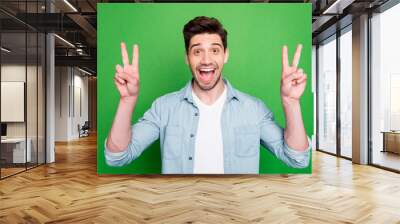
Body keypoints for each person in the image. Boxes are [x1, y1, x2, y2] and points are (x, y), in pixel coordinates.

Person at [105, 16, 311, 174]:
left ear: (225, 55)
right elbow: (117, 157)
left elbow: (297, 159)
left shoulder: (253, 109)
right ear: (187, 58)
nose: (206, 60)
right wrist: (127, 100)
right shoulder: (164, 107)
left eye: (214, 50)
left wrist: (291, 102)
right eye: (197, 51)